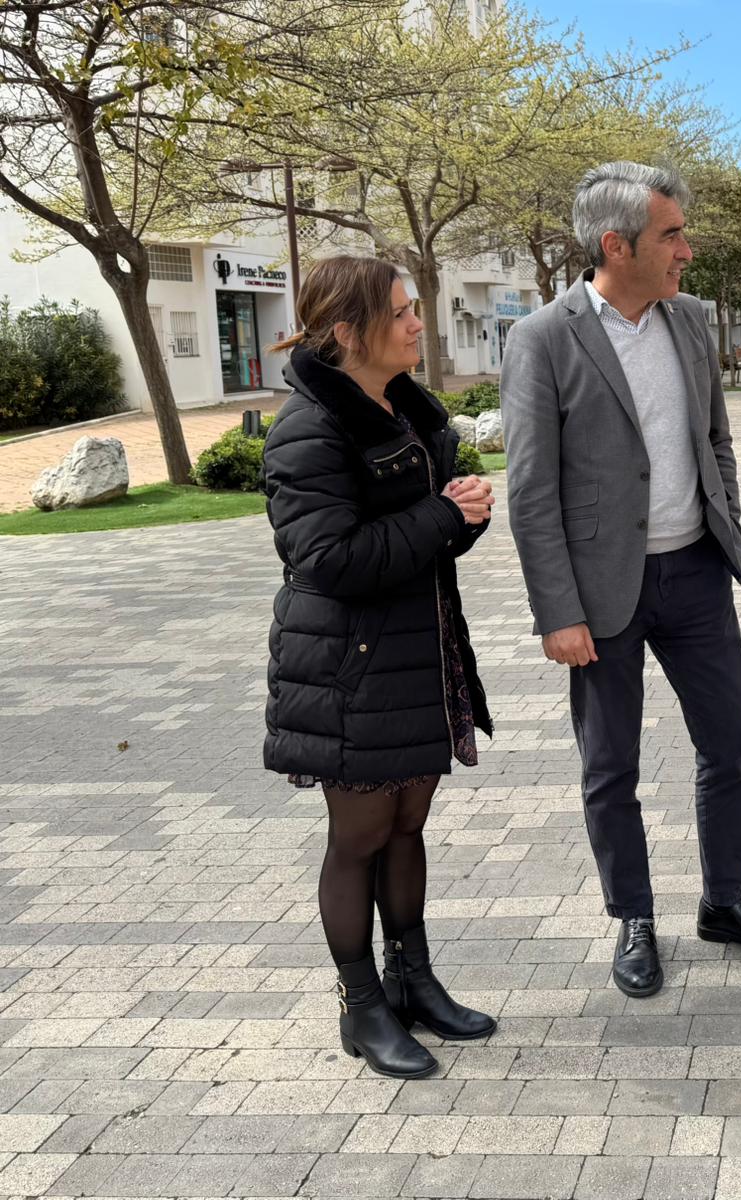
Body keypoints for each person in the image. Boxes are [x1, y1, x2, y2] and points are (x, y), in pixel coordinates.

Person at [500, 161, 741, 999]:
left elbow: (716, 439)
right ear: (617, 245)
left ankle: (725, 902)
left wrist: (725, 520)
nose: (686, 250)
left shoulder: (691, 319)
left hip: (697, 574)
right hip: (602, 594)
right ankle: (633, 917)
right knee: (611, 767)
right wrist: (556, 611)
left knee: (730, 747)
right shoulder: (543, 338)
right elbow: (530, 491)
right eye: (671, 235)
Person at [262, 254, 498, 1079]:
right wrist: (441, 516)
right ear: (348, 332)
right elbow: (329, 559)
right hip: (350, 668)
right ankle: (361, 1008)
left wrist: (463, 517)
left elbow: (423, 535)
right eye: (398, 312)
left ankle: (414, 983)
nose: (414, 322)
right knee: (359, 835)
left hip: (418, 653)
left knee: (406, 826)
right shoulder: (309, 430)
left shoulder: (404, 409)